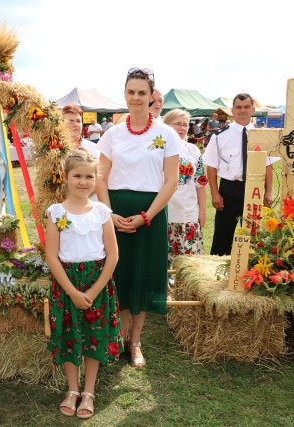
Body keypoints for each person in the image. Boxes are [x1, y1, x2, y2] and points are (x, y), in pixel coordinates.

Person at [96, 67, 180, 368]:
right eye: (131, 92)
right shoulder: (112, 134)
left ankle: (135, 342)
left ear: (151, 96)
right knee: (118, 274)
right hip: (115, 208)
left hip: (150, 211)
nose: (136, 97)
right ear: (125, 94)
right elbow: (100, 179)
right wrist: (109, 214)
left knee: (143, 275)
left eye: (141, 92)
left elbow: (170, 181)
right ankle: (116, 337)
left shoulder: (166, 134)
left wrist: (146, 216)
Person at [45, 149, 121, 419]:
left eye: (89, 176)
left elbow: (112, 255)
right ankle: (72, 389)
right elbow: (52, 256)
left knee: (93, 335)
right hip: (67, 285)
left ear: (96, 179)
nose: (83, 182)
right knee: (69, 335)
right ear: (66, 177)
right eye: (77, 175)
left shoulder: (101, 212)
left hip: (96, 283)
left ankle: (89, 390)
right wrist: (73, 292)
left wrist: (92, 290)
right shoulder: (56, 213)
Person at [203, 93, 275, 256]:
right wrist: (215, 193)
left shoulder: (264, 136)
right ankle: (217, 274)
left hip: (254, 188)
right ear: (232, 110)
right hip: (229, 190)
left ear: (253, 109)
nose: (243, 110)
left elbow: (268, 166)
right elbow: (212, 167)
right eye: (239, 107)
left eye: (246, 107)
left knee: (254, 237)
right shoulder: (220, 136)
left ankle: (252, 273)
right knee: (223, 236)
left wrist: (268, 192)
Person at [163, 109, 207, 265]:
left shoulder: (193, 150)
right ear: (166, 125)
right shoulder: (156, 148)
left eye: (185, 125)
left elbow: (200, 183)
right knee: (163, 265)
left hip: (188, 216)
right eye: (177, 124)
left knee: (189, 265)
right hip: (163, 215)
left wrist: (202, 211)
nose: (182, 128)